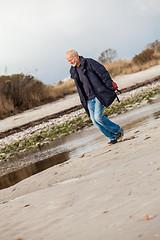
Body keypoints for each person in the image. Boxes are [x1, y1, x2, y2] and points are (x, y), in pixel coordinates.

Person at [66, 49, 124, 145]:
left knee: (98, 117)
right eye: (68, 61)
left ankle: (118, 130)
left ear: (76, 56)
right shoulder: (73, 71)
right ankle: (113, 137)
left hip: (98, 94)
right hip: (88, 99)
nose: (70, 62)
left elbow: (103, 73)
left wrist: (109, 88)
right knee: (95, 121)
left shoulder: (89, 62)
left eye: (71, 59)